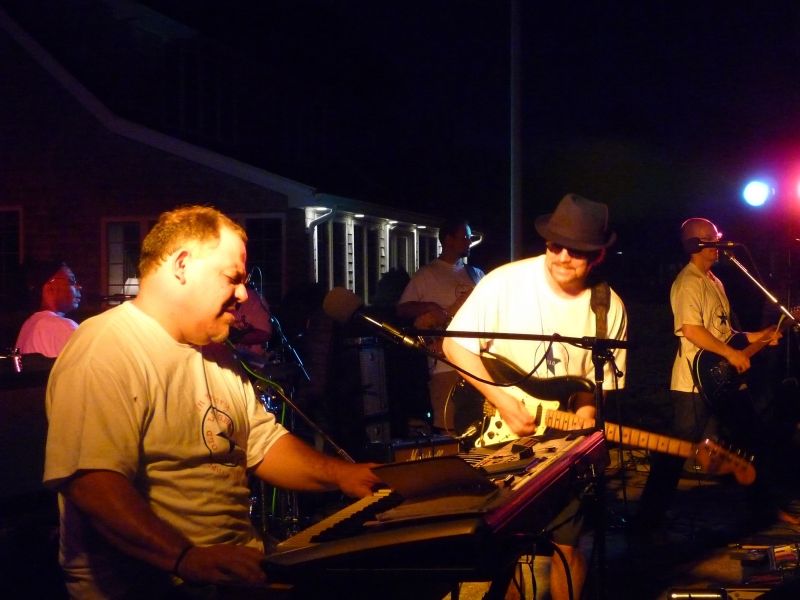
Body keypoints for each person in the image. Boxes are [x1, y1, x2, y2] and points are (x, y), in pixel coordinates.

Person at [43, 205, 380, 598]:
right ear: (182, 266)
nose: (244, 294)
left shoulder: (215, 353)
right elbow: (91, 484)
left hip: (231, 574)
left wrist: (343, 475)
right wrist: (186, 558)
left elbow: (262, 444)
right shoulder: (105, 348)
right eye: (232, 278)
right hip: (153, 585)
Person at [442, 194, 627, 600]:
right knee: (505, 548)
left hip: (561, 443)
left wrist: (587, 412)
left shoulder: (608, 307)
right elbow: (455, 346)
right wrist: (505, 401)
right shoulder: (504, 282)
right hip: (497, 431)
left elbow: (593, 384)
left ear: (598, 255)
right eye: (555, 245)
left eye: (576, 250)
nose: (562, 257)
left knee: (569, 544)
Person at [637, 217, 783, 532]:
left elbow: (726, 334)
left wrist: (761, 336)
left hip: (722, 378)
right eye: (713, 239)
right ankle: (647, 519)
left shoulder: (714, 281)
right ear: (697, 243)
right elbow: (691, 329)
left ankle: (764, 510)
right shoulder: (688, 282)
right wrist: (730, 354)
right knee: (676, 451)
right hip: (693, 381)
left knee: (751, 437)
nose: (719, 244)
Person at [396, 219, 485, 433]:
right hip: (445, 365)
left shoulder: (476, 274)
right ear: (448, 239)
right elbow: (402, 309)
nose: (469, 242)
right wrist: (429, 307)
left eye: (470, 238)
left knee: (479, 428)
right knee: (449, 429)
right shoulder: (427, 274)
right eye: (464, 237)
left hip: (477, 363)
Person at [16, 262, 81, 357]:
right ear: (50, 287)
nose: (79, 287)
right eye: (71, 281)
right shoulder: (63, 327)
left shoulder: (28, 325)